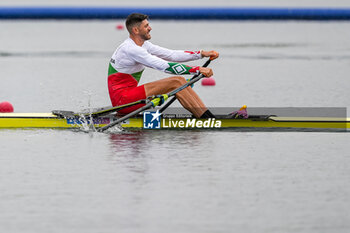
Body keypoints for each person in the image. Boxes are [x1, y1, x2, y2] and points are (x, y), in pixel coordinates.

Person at [108, 13, 219, 118]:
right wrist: (196, 69)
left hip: (129, 95)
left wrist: (201, 54)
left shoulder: (144, 45)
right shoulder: (131, 49)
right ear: (136, 30)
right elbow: (163, 66)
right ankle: (207, 120)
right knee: (176, 82)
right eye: (146, 26)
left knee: (180, 82)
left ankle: (207, 116)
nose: (150, 28)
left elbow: (172, 55)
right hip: (123, 101)